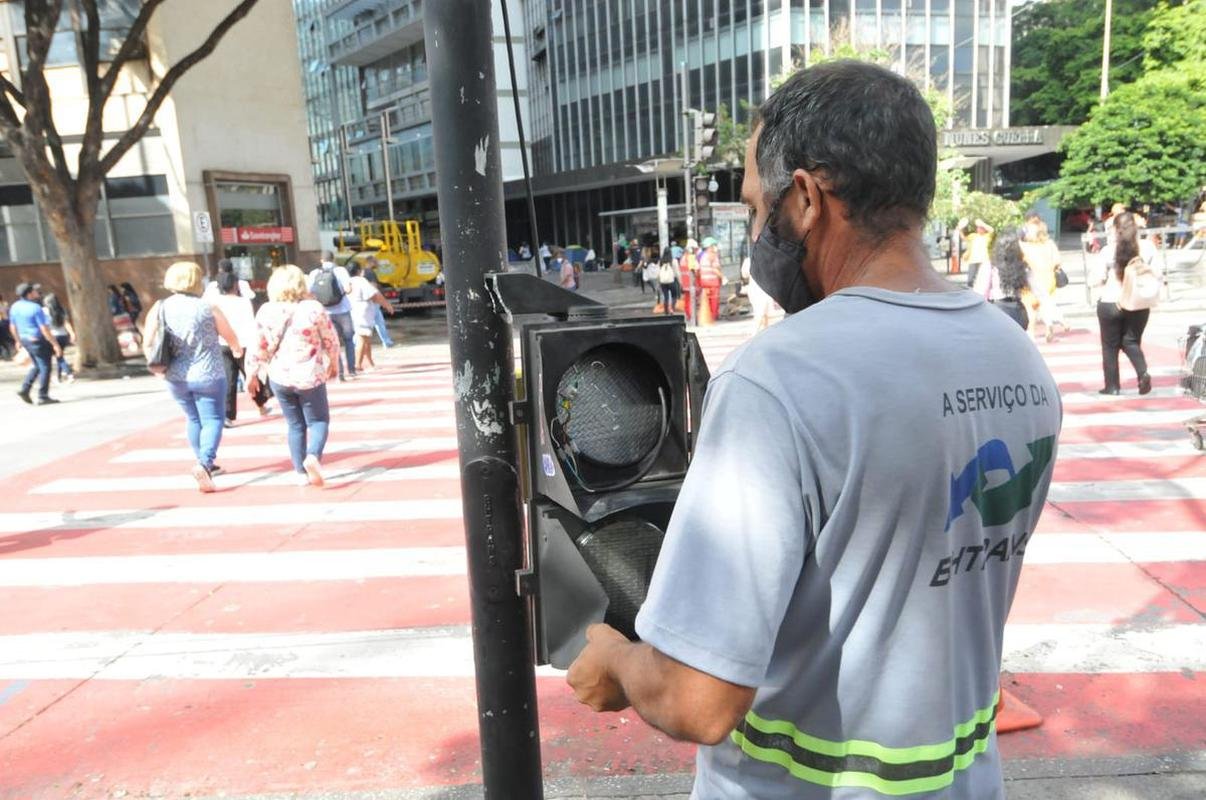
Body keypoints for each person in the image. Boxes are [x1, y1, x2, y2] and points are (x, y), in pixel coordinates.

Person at [565, 61, 1061, 800]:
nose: (756, 233)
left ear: (806, 197)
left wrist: (616, 663)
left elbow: (699, 700)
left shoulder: (781, 379)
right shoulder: (1018, 357)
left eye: (757, 208)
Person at [142, 262, 241, 492]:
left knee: (193, 419)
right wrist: (237, 349)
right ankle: (205, 464)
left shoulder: (160, 307)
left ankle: (204, 463)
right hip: (209, 373)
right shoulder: (207, 307)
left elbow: (147, 342)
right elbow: (229, 336)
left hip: (176, 375)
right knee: (213, 419)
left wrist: (158, 369)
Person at [245, 265, 341, 487]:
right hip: (310, 374)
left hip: (279, 376)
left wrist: (252, 374)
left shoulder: (266, 310)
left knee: (295, 424)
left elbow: (257, 345)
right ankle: (313, 456)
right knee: (318, 420)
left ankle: (299, 472)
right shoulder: (313, 308)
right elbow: (330, 339)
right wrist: (333, 362)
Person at [1093, 211, 1161, 395]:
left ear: (1116, 229)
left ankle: (1112, 386)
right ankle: (1143, 372)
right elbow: (1158, 273)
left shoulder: (1108, 250)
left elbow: (1096, 278)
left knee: (1109, 346)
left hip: (1111, 302)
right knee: (1130, 341)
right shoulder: (1147, 248)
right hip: (1138, 302)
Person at [210, 271, 261, 426]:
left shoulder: (214, 302)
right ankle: (261, 404)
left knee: (229, 379)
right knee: (251, 375)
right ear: (235, 285)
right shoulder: (243, 302)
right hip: (243, 342)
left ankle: (228, 415)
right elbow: (251, 323)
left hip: (222, 343)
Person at [10, 282, 63, 405]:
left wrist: (18, 340)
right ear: (29, 294)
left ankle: (25, 388)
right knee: (45, 367)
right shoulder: (35, 308)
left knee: (37, 365)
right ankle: (42, 395)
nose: (36, 293)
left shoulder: (15, 307)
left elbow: (13, 327)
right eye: (34, 291)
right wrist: (55, 344)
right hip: (37, 340)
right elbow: (44, 328)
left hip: (25, 339)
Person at [307, 251, 357, 381]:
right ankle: (352, 370)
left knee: (334, 343)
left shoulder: (314, 273)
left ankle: (339, 374)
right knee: (349, 340)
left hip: (326, 313)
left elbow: (309, 292)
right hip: (343, 310)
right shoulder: (340, 270)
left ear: (321, 260)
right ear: (333, 259)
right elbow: (348, 289)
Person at [1019, 216, 1068, 342]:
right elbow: (1057, 260)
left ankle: (1031, 332)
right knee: (1045, 302)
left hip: (1033, 278)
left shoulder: (1025, 246)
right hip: (1049, 277)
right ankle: (1049, 325)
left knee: (1030, 306)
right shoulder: (1049, 244)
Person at [973, 230, 1032, 330]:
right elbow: (1036, 288)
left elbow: (981, 291)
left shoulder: (991, 265)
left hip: (998, 310)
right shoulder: (1023, 266)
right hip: (1018, 310)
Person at [348, 263, 395, 372]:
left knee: (366, 339)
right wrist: (387, 305)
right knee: (362, 338)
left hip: (353, 312)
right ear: (359, 271)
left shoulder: (348, 282)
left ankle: (370, 363)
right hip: (362, 313)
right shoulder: (360, 281)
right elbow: (374, 295)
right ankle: (357, 364)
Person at [361, 256, 395, 348]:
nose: (378, 264)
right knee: (378, 322)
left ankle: (386, 341)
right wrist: (380, 299)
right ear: (371, 262)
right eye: (376, 262)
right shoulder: (370, 272)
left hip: (366, 300)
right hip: (373, 301)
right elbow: (374, 287)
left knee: (376, 322)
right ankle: (386, 342)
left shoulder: (363, 272)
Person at [42, 292, 76, 383]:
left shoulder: (44, 311)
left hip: (53, 336)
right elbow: (66, 323)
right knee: (59, 356)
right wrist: (72, 333)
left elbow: (43, 325)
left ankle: (69, 373)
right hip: (63, 335)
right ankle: (59, 376)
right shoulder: (62, 310)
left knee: (59, 357)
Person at [958, 217, 994, 288]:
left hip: (984, 261)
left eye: (981, 228)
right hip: (973, 261)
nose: (979, 229)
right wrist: (960, 229)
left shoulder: (988, 236)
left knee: (984, 280)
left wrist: (982, 224)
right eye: (978, 227)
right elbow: (963, 237)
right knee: (970, 281)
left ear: (984, 229)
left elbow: (992, 230)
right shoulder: (973, 236)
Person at [698, 237, 725, 320]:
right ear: (710, 246)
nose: (715, 247)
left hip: (704, 282)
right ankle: (713, 316)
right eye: (714, 245)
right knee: (714, 300)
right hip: (713, 281)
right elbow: (715, 269)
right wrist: (723, 277)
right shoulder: (713, 256)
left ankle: (708, 316)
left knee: (707, 300)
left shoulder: (702, 256)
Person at [0, 292, 13, 360]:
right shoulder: (5, 304)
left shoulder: (3, 305)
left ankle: (6, 355)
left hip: (2, 323)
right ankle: (7, 354)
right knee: (5, 340)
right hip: (5, 323)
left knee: (3, 340)